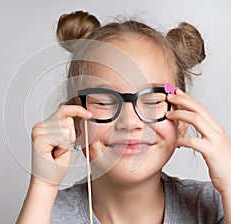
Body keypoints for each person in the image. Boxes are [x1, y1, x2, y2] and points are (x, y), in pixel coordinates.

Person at [17, 11, 231, 223]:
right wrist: (43, 186)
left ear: (183, 120)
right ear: (75, 122)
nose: (129, 123)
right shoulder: (44, 214)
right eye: (103, 101)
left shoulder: (215, 206)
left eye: (153, 100)